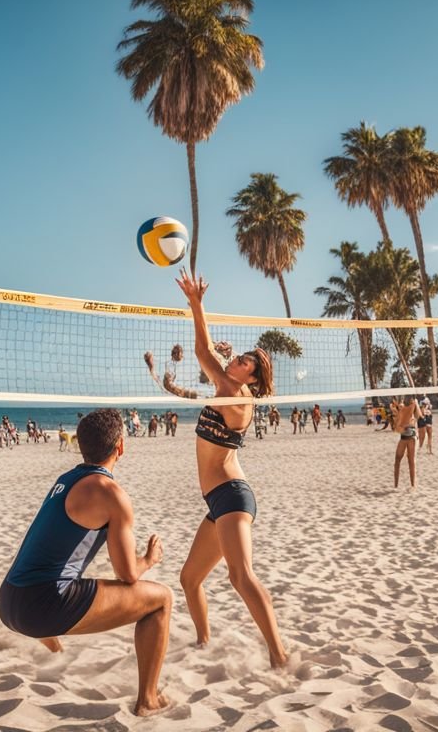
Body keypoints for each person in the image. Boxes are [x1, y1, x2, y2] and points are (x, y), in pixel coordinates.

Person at [0, 409, 171, 717]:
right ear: (120, 446)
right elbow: (128, 574)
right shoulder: (111, 493)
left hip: (8, 601)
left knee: (58, 577)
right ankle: (148, 700)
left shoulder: (65, 480)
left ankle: (56, 651)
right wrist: (149, 558)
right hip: (41, 606)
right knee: (161, 600)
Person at [174, 271, 287, 668]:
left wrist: (196, 303)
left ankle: (279, 653)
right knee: (190, 579)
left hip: (233, 495)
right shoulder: (229, 388)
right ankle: (205, 641)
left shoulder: (239, 399)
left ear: (251, 380)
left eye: (246, 363)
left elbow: (204, 353)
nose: (239, 360)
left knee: (240, 576)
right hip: (217, 501)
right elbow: (211, 357)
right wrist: (223, 357)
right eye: (241, 357)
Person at [393, 396, 423, 489]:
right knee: (397, 459)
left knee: (411, 461)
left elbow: (420, 416)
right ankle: (395, 485)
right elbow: (397, 426)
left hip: (411, 436)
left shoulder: (414, 407)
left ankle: (413, 485)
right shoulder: (402, 408)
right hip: (403, 436)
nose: (409, 400)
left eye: (411, 399)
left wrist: (417, 404)